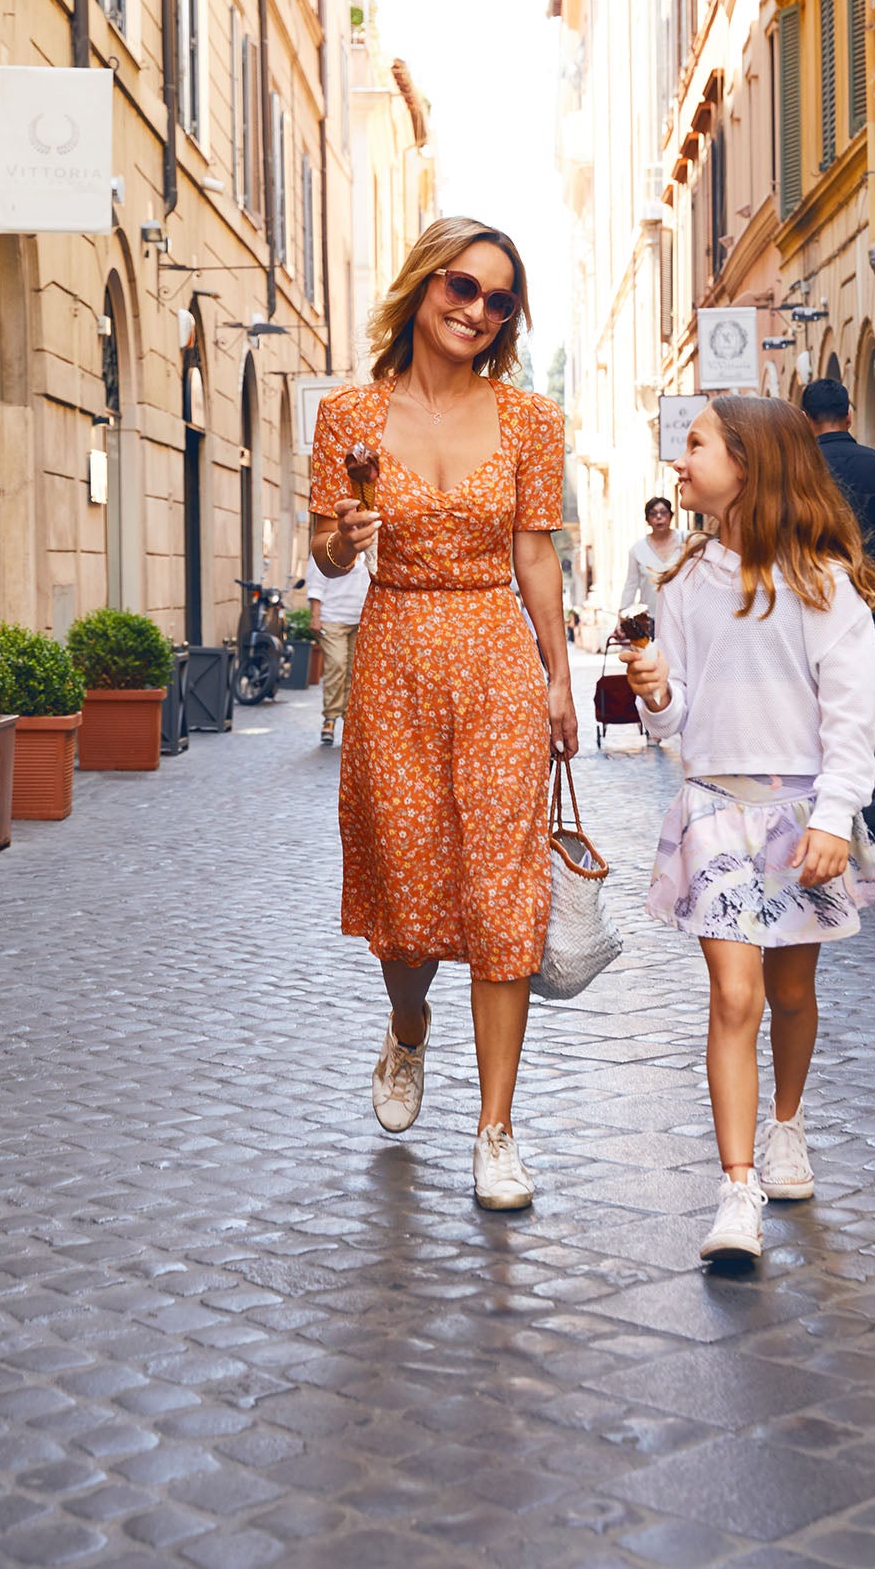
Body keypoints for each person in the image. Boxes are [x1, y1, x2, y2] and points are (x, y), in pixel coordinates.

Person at [308, 216, 576, 1213]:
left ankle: (496, 1129)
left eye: (499, 298)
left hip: (497, 657)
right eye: (461, 287)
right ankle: (408, 1022)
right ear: (423, 287)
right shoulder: (348, 417)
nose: (476, 309)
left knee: (503, 898)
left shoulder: (530, 420)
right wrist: (343, 536)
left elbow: (536, 555)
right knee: (408, 906)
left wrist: (557, 677)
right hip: (395, 657)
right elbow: (331, 558)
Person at [618, 396, 875, 1266]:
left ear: (747, 461)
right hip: (713, 808)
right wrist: (655, 692)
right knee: (734, 996)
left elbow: (851, 716)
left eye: (696, 446)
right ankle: (735, 1190)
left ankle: (787, 1126)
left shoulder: (823, 580)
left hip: (798, 814)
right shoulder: (682, 583)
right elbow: (671, 726)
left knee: (788, 995)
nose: (680, 461)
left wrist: (832, 816)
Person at [800, 378, 875, 860]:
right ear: (849, 415)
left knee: (812, 707)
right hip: (871, 603)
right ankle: (874, 818)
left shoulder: (798, 473)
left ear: (806, 421)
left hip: (806, 603)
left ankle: (818, 818)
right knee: (867, 710)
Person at [304, 543, 369, 745]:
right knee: (337, 665)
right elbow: (316, 584)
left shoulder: (370, 547)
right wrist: (315, 616)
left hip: (361, 619)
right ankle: (330, 718)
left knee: (355, 672)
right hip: (332, 618)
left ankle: (349, 720)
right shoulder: (330, 544)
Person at [619, 497, 686, 614]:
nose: (659, 517)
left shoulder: (686, 540)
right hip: (652, 618)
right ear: (648, 520)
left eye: (663, 512)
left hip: (684, 614)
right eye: (653, 514)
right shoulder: (638, 550)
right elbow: (631, 584)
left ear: (671, 515)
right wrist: (623, 613)